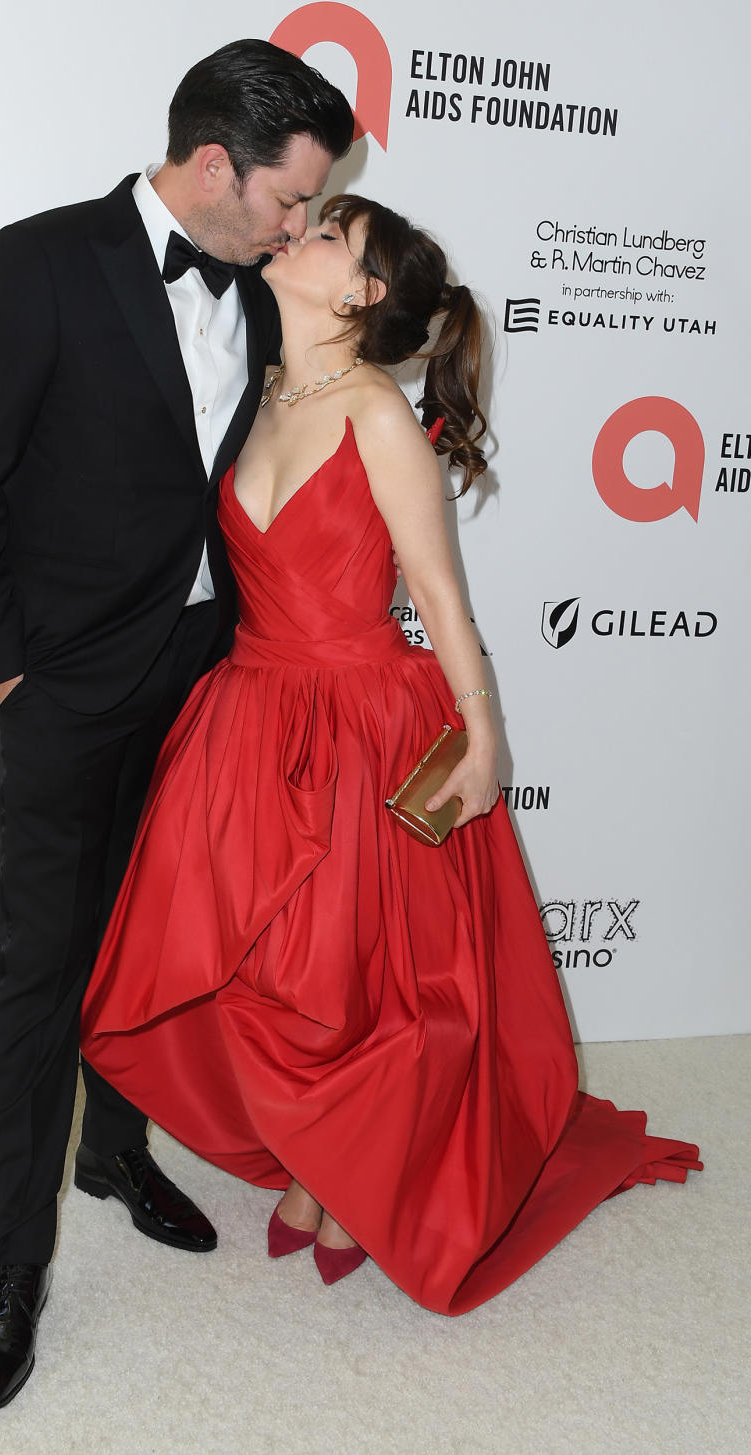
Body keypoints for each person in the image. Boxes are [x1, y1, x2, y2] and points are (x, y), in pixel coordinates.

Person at [80, 194, 701, 1311]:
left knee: (350, 973)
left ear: (363, 294)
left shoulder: (375, 415)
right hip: (251, 713)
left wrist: (486, 738)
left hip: (366, 716)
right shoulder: (262, 389)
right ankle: (319, 1158)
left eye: (328, 237)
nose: (298, 236)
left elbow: (442, 602)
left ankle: (336, 1178)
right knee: (264, 964)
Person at [0, 40, 354, 1407]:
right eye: (291, 200)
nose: (304, 228)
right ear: (214, 164)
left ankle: (115, 1150)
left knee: (156, 938)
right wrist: (2, 672)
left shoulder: (270, 286)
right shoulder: (41, 259)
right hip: (60, 684)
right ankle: (13, 1265)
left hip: (205, 675)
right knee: (47, 963)